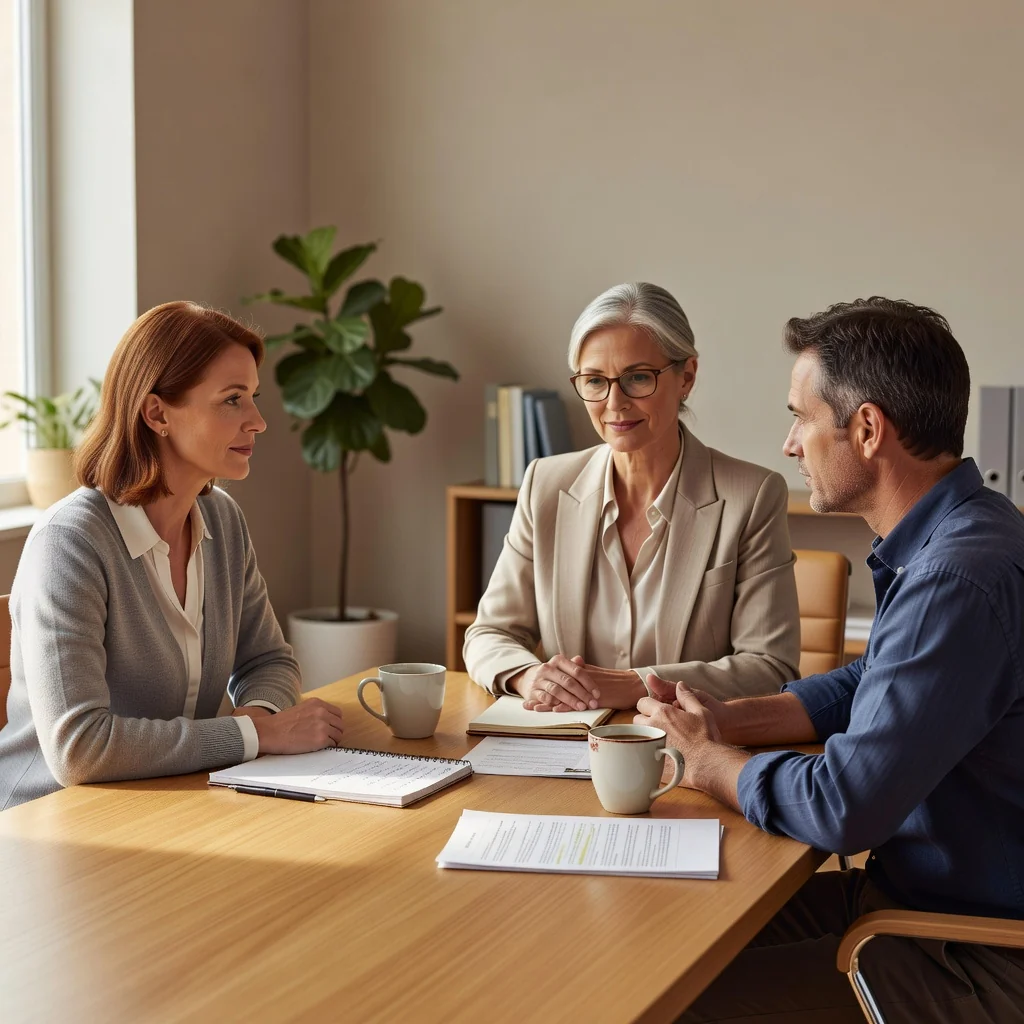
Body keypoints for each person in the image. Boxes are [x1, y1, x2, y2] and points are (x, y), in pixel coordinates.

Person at [635, 297, 1024, 1022]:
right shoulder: (970, 529)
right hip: (914, 904)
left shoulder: (955, 579)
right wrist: (728, 718)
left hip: (968, 953)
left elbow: (845, 807)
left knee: (665, 1000)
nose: (789, 444)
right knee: (663, 936)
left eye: (801, 417)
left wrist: (711, 765)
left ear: (868, 429)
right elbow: (876, 678)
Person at [0, 301, 344, 810]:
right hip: (47, 821)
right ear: (157, 413)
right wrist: (254, 735)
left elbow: (267, 659)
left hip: (172, 802)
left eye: (252, 396)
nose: (258, 421)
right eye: (232, 400)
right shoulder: (69, 543)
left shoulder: (223, 521)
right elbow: (80, 749)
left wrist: (265, 717)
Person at [464, 282, 800, 711]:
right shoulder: (545, 485)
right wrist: (532, 677)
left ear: (687, 377)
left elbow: (770, 667)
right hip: (562, 746)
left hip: (680, 751)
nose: (614, 403)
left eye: (638, 377)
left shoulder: (750, 496)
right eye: (594, 381)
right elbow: (489, 633)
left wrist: (631, 685)